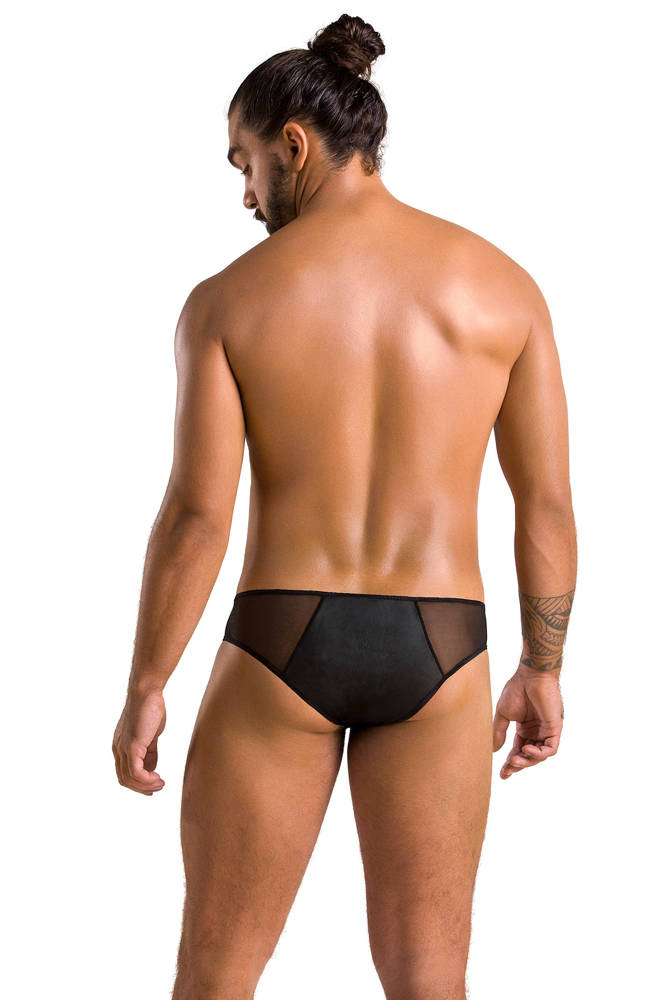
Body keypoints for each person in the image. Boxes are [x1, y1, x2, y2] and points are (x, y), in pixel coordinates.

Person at [112, 14, 577, 1000]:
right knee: (428, 981)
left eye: (244, 163)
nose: (245, 194)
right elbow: (543, 503)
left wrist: (148, 680)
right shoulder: (502, 290)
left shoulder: (227, 302)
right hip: (441, 647)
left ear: (294, 144)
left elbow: (198, 515)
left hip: (280, 639)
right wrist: (542, 667)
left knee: (213, 977)